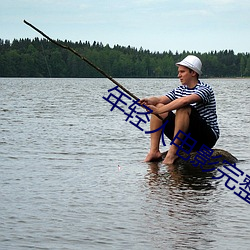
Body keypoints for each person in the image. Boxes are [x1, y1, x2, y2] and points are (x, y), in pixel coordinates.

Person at [139, 55, 219, 165]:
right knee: (159, 105)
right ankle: (154, 152)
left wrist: (159, 111)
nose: (178, 75)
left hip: (205, 138)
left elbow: (184, 101)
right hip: (187, 137)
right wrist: (149, 101)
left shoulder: (205, 89)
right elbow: (160, 99)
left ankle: (173, 153)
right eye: (179, 72)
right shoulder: (180, 89)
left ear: (193, 73)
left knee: (182, 108)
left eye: (182, 72)